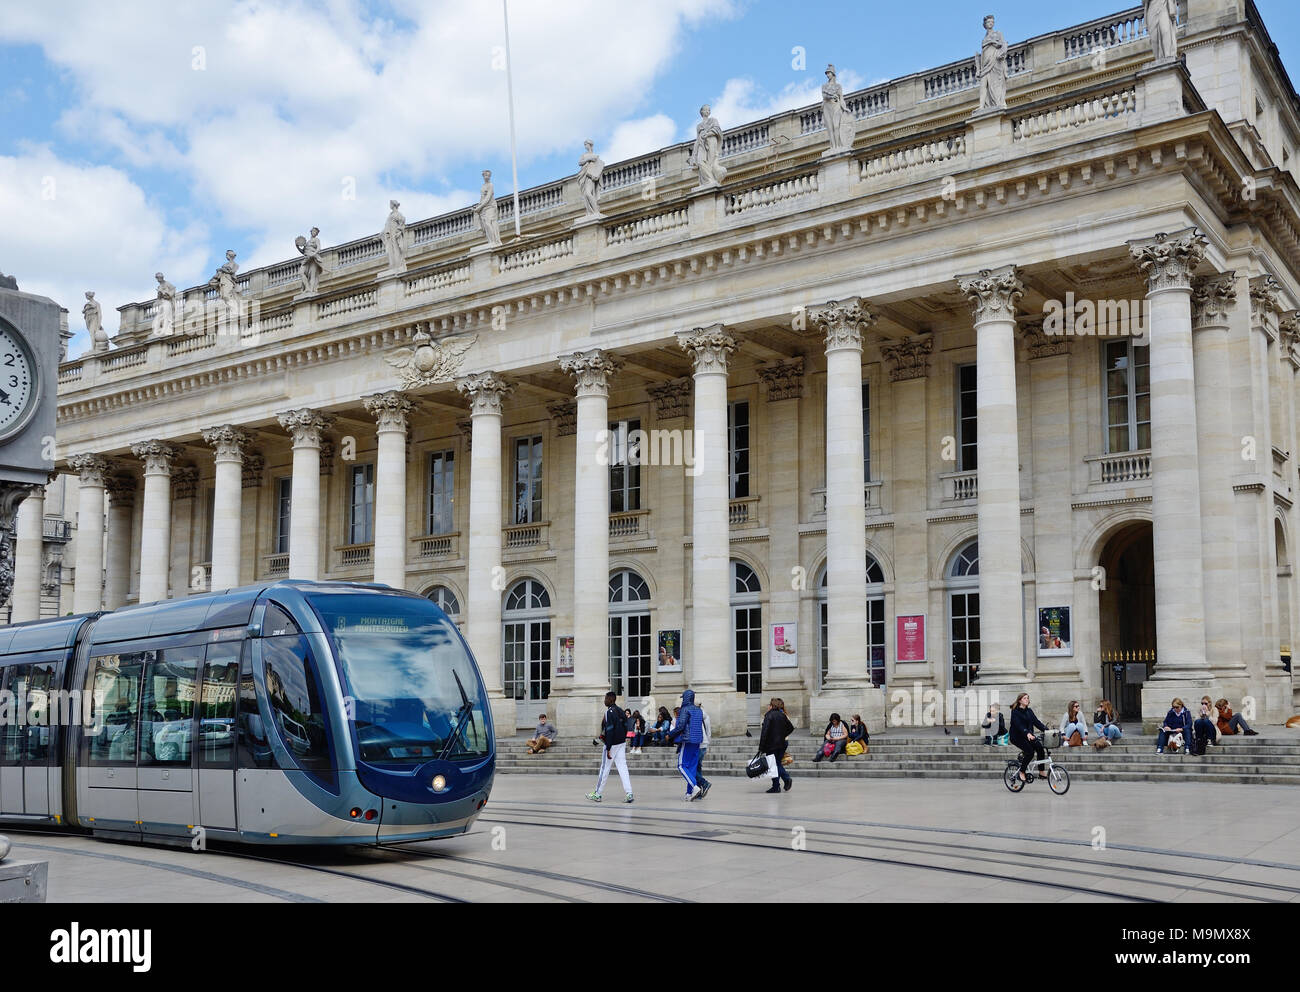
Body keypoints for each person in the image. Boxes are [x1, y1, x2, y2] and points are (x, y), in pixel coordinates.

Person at [586, 692, 633, 804]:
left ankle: (597, 794)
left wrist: (608, 747)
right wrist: (623, 737)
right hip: (621, 742)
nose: (604, 700)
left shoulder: (609, 712)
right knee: (623, 768)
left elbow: (610, 730)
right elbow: (626, 725)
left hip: (612, 744)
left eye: (606, 698)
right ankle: (629, 793)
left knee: (604, 768)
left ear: (610, 699)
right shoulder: (621, 710)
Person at [666, 689, 705, 801]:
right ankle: (689, 793)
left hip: (687, 741)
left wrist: (670, 735)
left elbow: (680, 726)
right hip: (697, 740)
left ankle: (694, 786)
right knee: (692, 767)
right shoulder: (699, 710)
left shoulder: (684, 709)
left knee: (681, 765)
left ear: (686, 698)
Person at [1009, 692, 1049, 782]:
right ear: (1020, 701)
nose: (1027, 699)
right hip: (1017, 737)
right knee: (1030, 752)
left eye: (1027, 698)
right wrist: (1027, 733)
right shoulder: (1015, 712)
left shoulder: (1029, 711)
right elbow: (1019, 725)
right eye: (1024, 698)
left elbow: (1037, 722)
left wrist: (1047, 730)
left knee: (1040, 748)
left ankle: (1041, 771)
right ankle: (1022, 772)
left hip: (1029, 736)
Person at [758, 697, 794, 793]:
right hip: (781, 744)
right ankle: (777, 785)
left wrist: (761, 747)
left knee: (773, 765)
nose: (768, 706)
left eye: (769, 705)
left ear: (772, 706)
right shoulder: (782, 715)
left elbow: (764, 732)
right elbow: (791, 728)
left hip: (771, 745)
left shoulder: (769, 715)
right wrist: (782, 735)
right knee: (776, 763)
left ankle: (781, 782)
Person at [695, 703, 713, 798]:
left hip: (698, 744)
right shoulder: (706, 716)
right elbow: (708, 732)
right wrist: (707, 744)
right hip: (704, 744)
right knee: (698, 768)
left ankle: (704, 783)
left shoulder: (698, 715)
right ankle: (699, 792)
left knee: (693, 769)